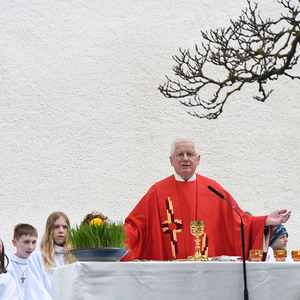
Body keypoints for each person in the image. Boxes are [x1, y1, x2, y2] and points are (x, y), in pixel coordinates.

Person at [123, 136, 291, 261]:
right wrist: (111, 233)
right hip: (169, 270)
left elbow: (240, 222)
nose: (185, 158)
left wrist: (264, 221)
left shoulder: (213, 189)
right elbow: (136, 226)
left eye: (190, 154)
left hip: (207, 270)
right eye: (180, 154)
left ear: (198, 159)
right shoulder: (158, 191)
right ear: (171, 161)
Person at [24, 212, 76, 300]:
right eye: (56, 227)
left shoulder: (74, 256)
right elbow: (34, 290)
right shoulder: (37, 256)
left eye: (65, 227)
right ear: (49, 229)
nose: (61, 230)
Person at [6, 224, 38, 300]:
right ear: (14, 242)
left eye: (34, 242)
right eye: (26, 242)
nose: (31, 247)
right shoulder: (6, 263)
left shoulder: (37, 263)